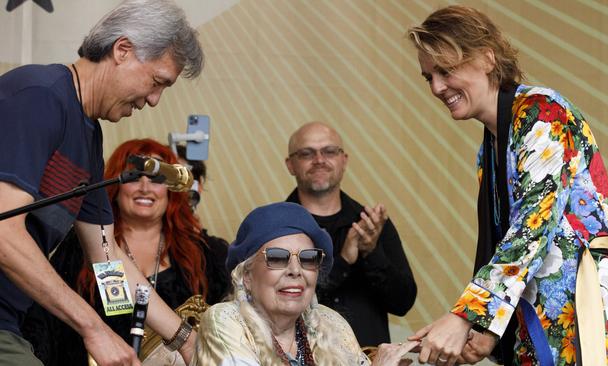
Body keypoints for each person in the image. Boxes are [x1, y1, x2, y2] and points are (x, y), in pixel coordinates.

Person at [406, 5, 608, 365]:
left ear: (487, 58)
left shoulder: (542, 113)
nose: (438, 87)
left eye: (446, 70)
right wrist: (486, 331)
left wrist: (465, 316)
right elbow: (512, 245)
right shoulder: (489, 149)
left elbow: (531, 229)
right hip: (543, 319)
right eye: (429, 77)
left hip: (592, 312)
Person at [0, 0, 204, 365]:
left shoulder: (89, 135)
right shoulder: (40, 96)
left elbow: (107, 259)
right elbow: (3, 232)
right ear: (122, 50)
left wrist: (184, 339)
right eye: (157, 82)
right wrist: (93, 329)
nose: (155, 101)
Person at [21, 139, 232, 365]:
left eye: (156, 177)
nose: (144, 186)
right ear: (116, 184)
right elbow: (44, 321)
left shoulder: (207, 253)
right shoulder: (82, 245)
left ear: (171, 190)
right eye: (133, 176)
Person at [191, 202, 419, 365]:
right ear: (247, 276)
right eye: (278, 257)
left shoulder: (330, 323)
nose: (295, 270)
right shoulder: (225, 320)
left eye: (308, 258)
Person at [284, 122, 417, 347]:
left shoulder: (372, 224)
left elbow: (402, 303)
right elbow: (277, 304)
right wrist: (343, 262)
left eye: (329, 151)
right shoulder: (276, 229)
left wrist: (372, 252)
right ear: (290, 165)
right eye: (307, 153)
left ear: (344, 160)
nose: (319, 160)